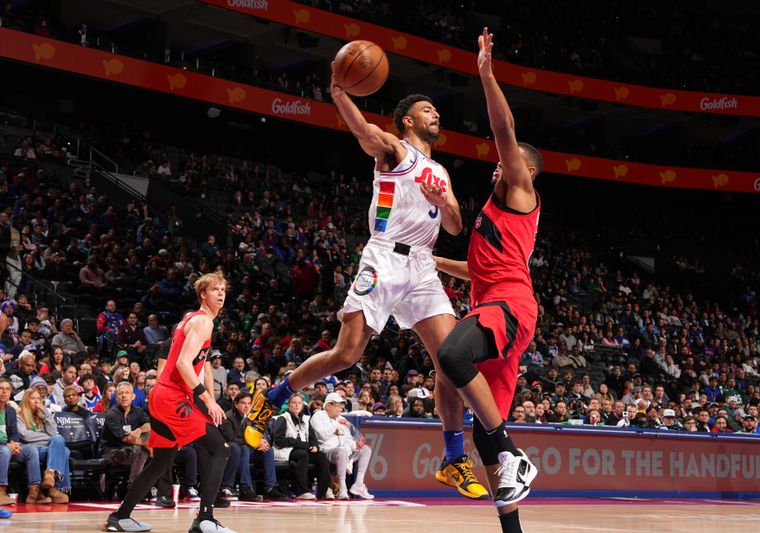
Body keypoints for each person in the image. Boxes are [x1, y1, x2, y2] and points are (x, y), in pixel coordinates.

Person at [246, 62, 488, 500]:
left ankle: (453, 459)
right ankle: (274, 395)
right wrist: (340, 93)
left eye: (438, 111)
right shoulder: (395, 149)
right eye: (428, 110)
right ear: (409, 120)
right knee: (346, 354)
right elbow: (363, 132)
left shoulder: (443, 173)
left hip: (422, 267)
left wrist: (444, 202)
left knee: (451, 361)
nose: (437, 115)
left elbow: (454, 226)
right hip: (384, 257)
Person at [432, 28, 542, 532]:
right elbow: (475, 270)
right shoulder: (493, 218)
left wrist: (486, 73)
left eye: (510, 160)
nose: (500, 164)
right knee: (483, 434)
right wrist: (431, 262)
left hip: (510, 306)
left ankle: (515, 454)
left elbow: (505, 130)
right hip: (497, 302)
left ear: (524, 169)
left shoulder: (519, 189)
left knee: (451, 355)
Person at [104, 272, 235, 533]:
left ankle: (120, 516)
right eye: (214, 289)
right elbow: (183, 364)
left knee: (163, 460)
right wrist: (207, 397)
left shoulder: (187, 320)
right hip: (173, 396)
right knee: (220, 449)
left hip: (163, 396)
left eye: (223, 289)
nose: (220, 294)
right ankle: (205, 519)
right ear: (202, 294)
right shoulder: (202, 322)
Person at [310, 392, 372, 500]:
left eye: (341, 406)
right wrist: (336, 423)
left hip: (346, 455)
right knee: (342, 450)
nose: (341, 409)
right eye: (338, 405)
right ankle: (343, 489)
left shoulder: (342, 420)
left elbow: (348, 440)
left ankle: (358, 484)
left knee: (365, 450)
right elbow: (322, 435)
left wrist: (355, 446)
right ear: (328, 405)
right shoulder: (319, 415)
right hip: (327, 452)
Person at [0, 377, 50, 505]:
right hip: (3, 448)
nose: (4, 392)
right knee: (5, 450)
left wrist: (15, 443)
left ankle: (34, 492)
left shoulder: (10, 411)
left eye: (7, 389)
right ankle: (1, 490)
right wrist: (7, 444)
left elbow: (14, 433)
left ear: (11, 392)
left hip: (9, 447)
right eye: (1, 388)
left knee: (31, 450)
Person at [272, 393, 331, 500]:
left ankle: (324, 490)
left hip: (304, 448)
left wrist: (315, 446)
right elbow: (278, 440)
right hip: (287, 450)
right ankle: (301, 491)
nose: (297, 405)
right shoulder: (283, 418)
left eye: (299, 403)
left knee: (321, 456)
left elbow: (313, 438)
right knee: (303, 455)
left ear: (302, 405)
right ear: (289, 404)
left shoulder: (306, 419)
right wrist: (297, 443)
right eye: (294, 403)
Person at [17, 387, 71, 503]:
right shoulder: (19, 415)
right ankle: (55, 488)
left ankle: (50, 473)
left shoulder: (42, 415)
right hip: (31, 449)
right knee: (64, 451)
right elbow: (25, 436)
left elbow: (53, 433)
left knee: (59, 440)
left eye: (38, 398)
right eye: (33, 398)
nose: (36, 401)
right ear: (26, 400)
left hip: (46, 448)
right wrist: (48, 438)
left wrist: (46, 412)